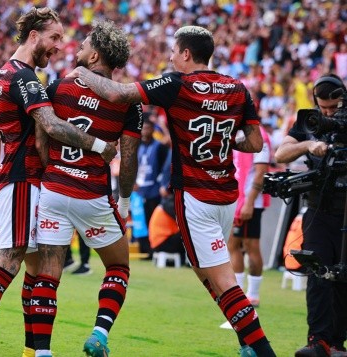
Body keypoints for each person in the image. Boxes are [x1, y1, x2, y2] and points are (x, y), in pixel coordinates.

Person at [69, 25, 276, 356]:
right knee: (207, 273)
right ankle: (246, 343)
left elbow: (117, 94)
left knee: (222, 280)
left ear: (186, 54)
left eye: (172, 51)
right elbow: (252, 141)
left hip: (195, 195)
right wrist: (219, 141)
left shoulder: (176, 84)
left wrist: (80, 70)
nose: (169, 56)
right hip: (226, 193)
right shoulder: (238, 88)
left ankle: (261, 349)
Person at [0, 7, 116, 357]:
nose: (59, 46)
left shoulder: (12, 72)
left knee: (36, 270)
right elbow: (49, 126)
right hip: (23, 180)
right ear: (34, 36)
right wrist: (97, 145)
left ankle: (32, 351)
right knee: (8, 260)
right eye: (54, 38)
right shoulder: (24, 78)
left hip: (23, 180)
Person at [29, 20, 141, 357]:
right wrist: (124, 201)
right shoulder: (127, 103)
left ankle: (43, 353)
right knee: (119, 267)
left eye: (84, 44)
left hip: (54, 190)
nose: (77, 48)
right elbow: (129, 159)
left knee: (48, 275)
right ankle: (99, 334)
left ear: (94, 56)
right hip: (92, 195)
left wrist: (55, 171)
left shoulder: (59, 88)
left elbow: (39, 140)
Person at [275, 73, 347, 357]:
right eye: (323, 108)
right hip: (319, 210)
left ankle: (338, 342)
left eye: (334, 108)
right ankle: (318, 341)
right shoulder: (309, 120)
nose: (327, 114)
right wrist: (307, 144)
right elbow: (281, 153)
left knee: (343, 280)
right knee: (318, 276)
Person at [228, 125, 272, 307]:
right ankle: (238, 292)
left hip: (250, 200)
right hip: (234, 198)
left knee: (250, 245)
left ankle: (253, 294)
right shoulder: (234, 132)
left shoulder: (259, 135)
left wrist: (249, 202)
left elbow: (261, 172)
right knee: (232, 243)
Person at [135, 118, 170, 258]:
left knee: (152, 219)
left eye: (148, 128)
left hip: (154, 188)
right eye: (143, 128)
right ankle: (144, 249)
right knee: (140, 220)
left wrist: (163, 184)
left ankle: (154, 250)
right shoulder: (137, 145)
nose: (145, 131)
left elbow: (166, 167)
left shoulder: (160, 146)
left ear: (153, 130)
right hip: (138, 188)